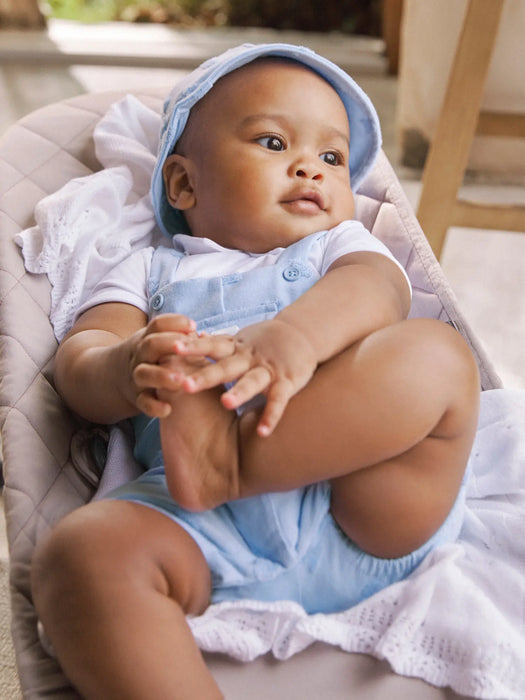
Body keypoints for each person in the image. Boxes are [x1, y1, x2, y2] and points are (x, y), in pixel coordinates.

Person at [31, 44, 480, 699]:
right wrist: (125, 368)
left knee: (435, 358)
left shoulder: (336, 247)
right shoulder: (150, 271)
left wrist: (294, 338)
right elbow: (81, 362)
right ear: (184, 184)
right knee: (79, 557)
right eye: (273, 141)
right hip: (203, 527)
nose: (310, 168)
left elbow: (379, 290)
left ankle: (232, 457)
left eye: (331, 158)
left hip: (361, 506)